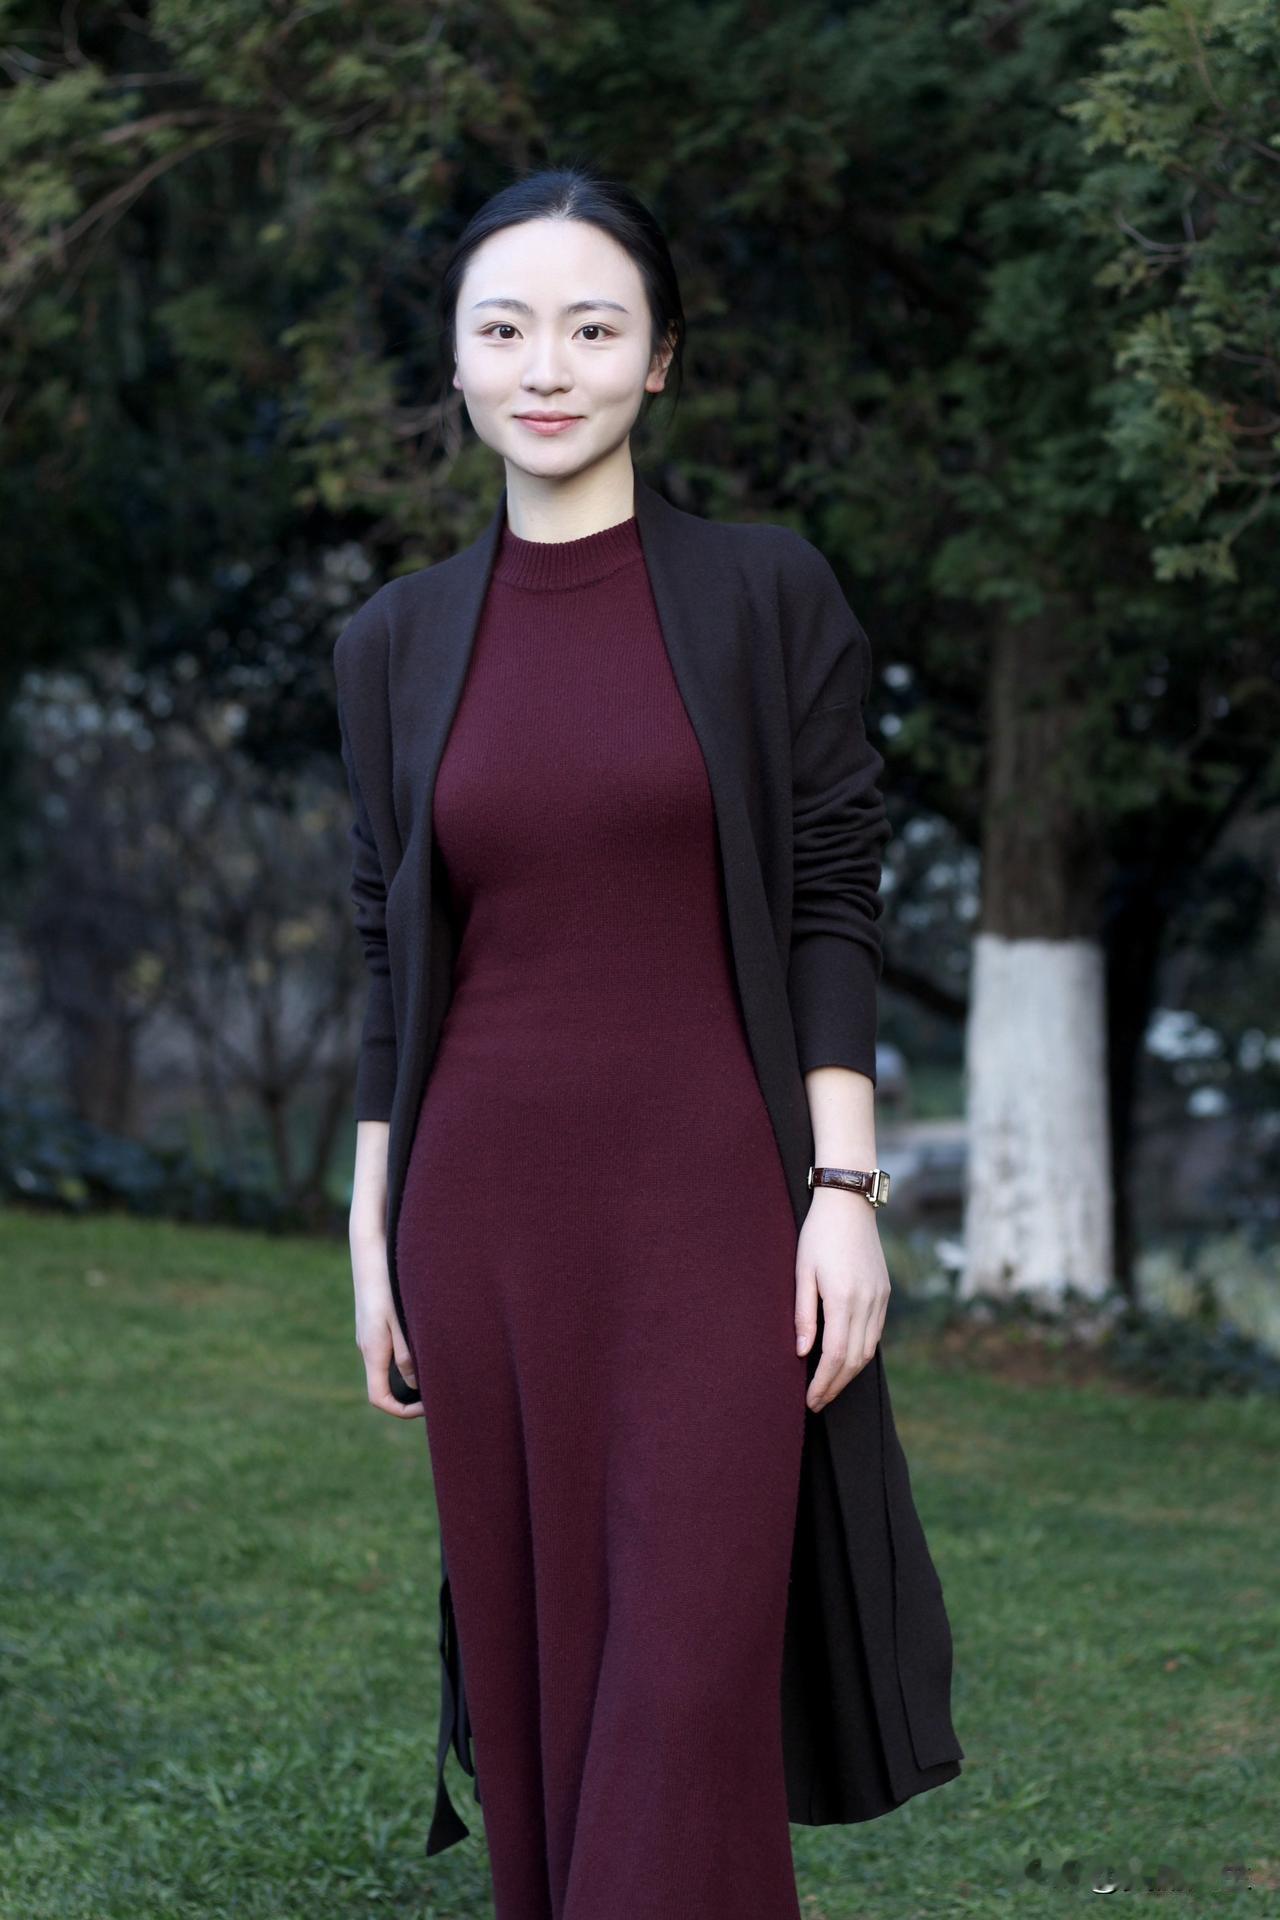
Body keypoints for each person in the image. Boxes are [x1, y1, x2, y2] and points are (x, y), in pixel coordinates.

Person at [337, 164, 962, 1920]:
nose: (547, 366)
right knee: (541, 1685)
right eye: (506, 328)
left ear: (661, 358)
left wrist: (843, 1191)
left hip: (713, 1210)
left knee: (684, 1687)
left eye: (593, 328)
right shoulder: (391, 644)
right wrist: (370, 1233)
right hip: (483, 1217)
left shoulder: (766, 594)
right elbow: (389, 953)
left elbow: (833, 895)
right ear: (457, 360)